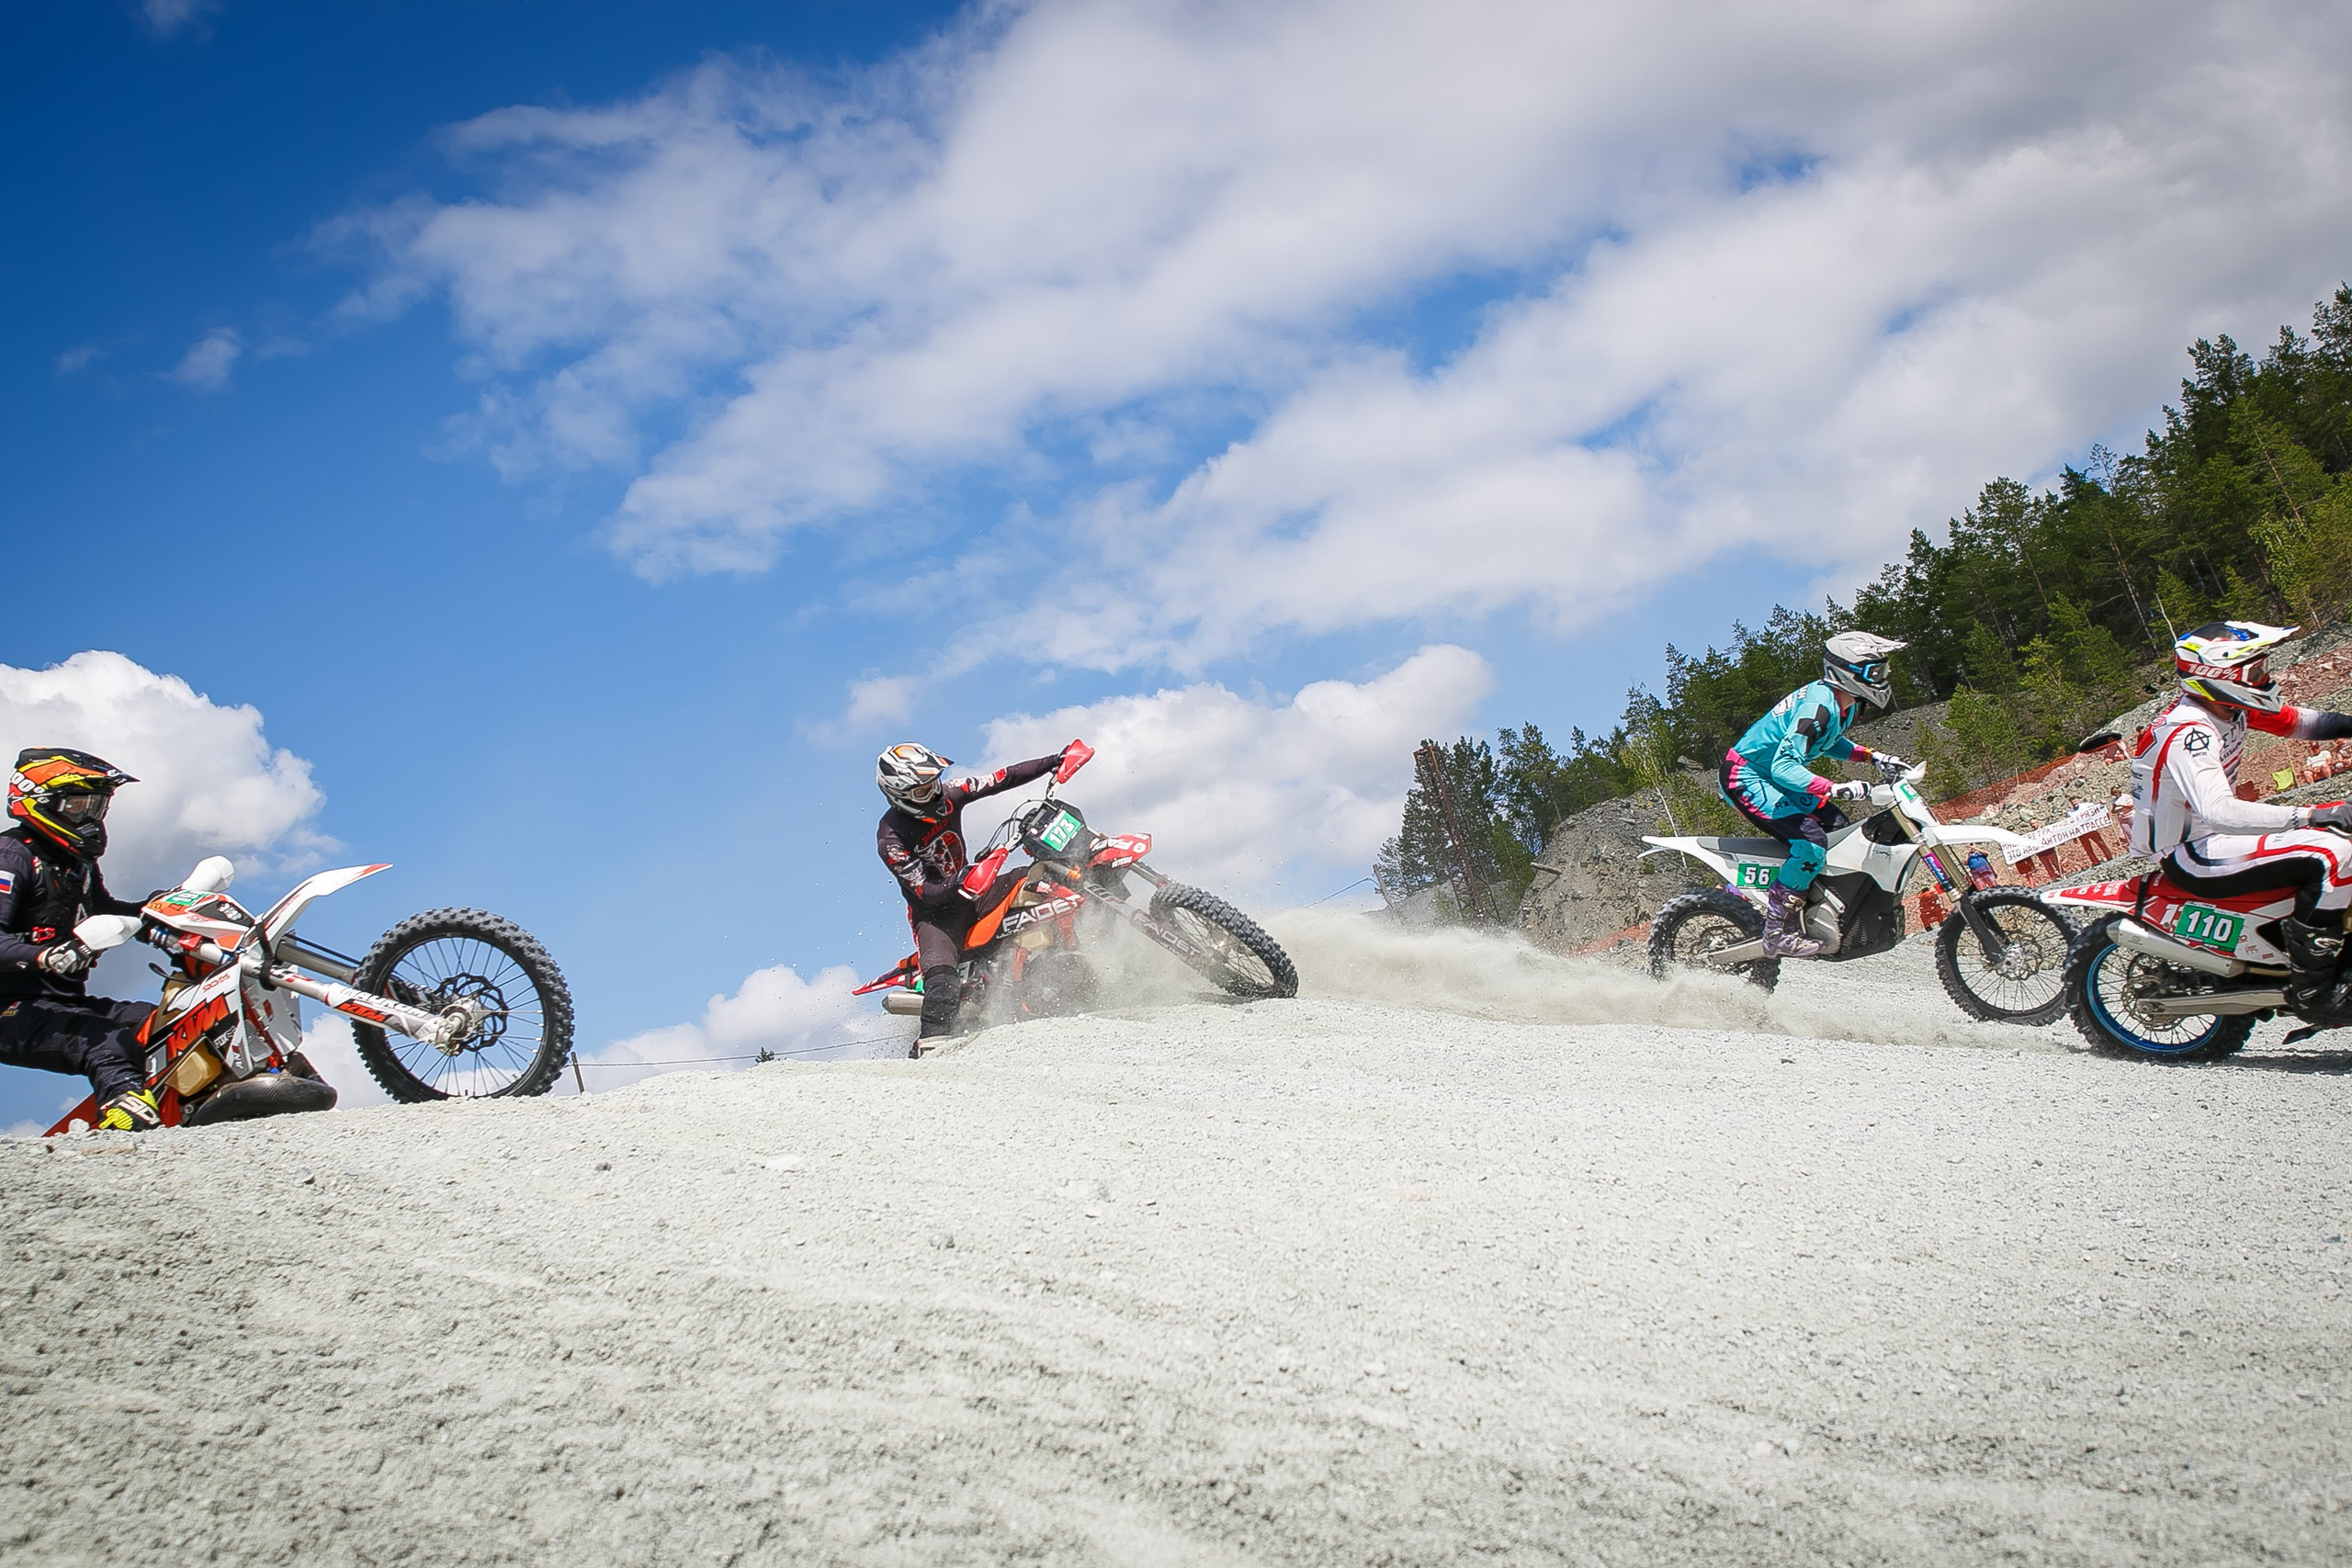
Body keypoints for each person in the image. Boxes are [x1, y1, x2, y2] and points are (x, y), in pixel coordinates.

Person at [2131, 621, 2352, 1009]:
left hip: (2220, 841)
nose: (2266, 678)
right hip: (2192, 851)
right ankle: (2316, 991)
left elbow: (2299, 722)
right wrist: (2316, 814)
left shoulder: (2231, 708)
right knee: (2334, 854)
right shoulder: (2189, 731)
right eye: (2255, 671)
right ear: (2217, 676)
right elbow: (2218, 811)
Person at [876, 739, 1084, 1054]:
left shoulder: (950, 793)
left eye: (933, 782)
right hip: (936, 916)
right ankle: (929, 1046)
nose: (932, 792)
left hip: (977, 891)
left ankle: (1070, 954)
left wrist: (1056, 760)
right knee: (942, 977)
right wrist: (961, 880)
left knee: (1037, 875)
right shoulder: (890, 837)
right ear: (898, 795)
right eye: (921, 791)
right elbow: (924, 891)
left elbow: (1003, 777)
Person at [1720, 631, 1915, 957]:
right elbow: (1784, 765)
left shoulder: (1847, 703)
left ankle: (1815, 909)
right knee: (1810, 844)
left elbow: (1829, 741)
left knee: (1838, 827)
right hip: (1747, 775)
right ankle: (1776, 932)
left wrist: (1872, 756)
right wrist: (1832, 787)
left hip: (1772, 774)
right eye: (1875, 672)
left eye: (1884, 671)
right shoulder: (1819, 707)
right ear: (1849, 673)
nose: (1882, 678)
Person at [0, 749, 160, 1131]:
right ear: (40, 803)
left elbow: (108, 914)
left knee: (165, 1022)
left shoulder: (79, 864)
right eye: (77, 805)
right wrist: (48, 957)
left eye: (96, 806)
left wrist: (161, 912)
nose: (89, 818)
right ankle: (123, 1118)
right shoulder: (11, 856)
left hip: (63, 1002)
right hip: (9, 1008)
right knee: (104, 1040)